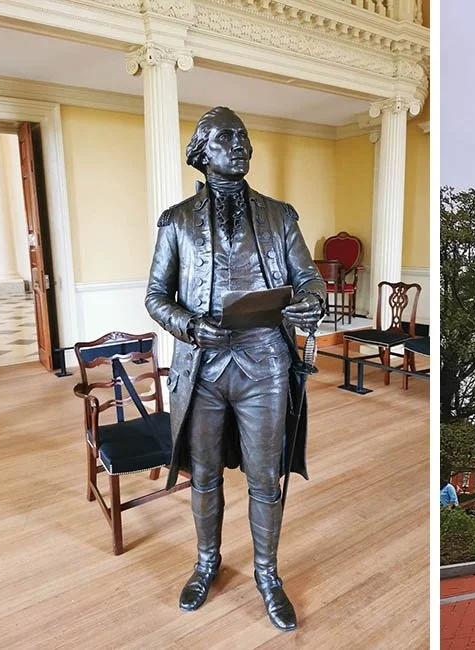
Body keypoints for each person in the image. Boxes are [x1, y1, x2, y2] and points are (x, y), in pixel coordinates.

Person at [146, 106, 326, 632]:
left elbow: (309, 279)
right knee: (203, 476)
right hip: (201, 363)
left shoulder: (279, 215)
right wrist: (190, 326)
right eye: (226, 138)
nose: (240, 145)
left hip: (265, 361)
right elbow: (156, 297)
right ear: (202, 153)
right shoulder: (177, 221)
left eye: (244, 137)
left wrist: (309, 302)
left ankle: (267, 574)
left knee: (265, 476)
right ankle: (207, 562)